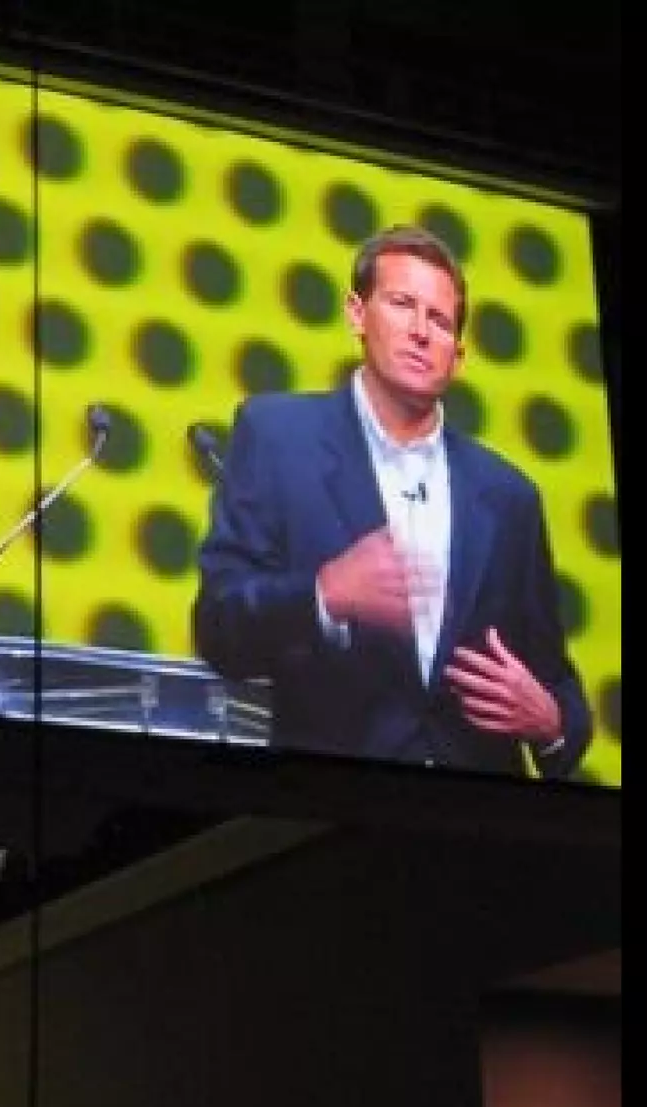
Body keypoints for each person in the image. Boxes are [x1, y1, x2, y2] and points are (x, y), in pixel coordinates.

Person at [191, 224, 591, 778]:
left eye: (440, 320)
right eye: (402, 305)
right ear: (357, 313)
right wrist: (324, 595)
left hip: (475, 813)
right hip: (327, 805)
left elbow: (556, 681)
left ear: (458, 355)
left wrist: (552, 724)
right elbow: (218, 625)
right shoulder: (278, 438)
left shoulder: (508, 496)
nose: (421, 332)